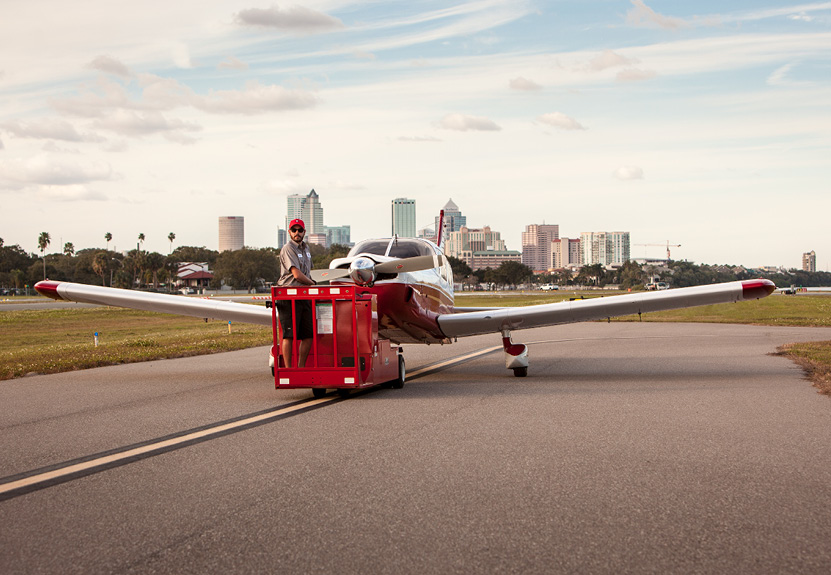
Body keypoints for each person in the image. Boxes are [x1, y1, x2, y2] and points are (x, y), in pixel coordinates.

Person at [277, 218, 316, 368]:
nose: (297, 233)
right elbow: (297, 274)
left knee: (308, 335)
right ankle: (288, 369)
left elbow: (308, 272)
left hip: (304, 295)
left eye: (300, 230)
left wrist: (312, 284)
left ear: (304, 232)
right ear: (289, 232)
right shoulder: (288, 249)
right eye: (294, 230)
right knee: (289, 335)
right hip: (288, 295)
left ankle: (301, 368)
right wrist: (313, 284)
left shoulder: (306, 249)